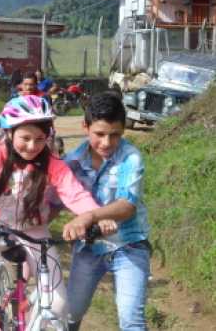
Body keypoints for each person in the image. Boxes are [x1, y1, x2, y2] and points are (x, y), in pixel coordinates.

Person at [0, 95, 119, 320]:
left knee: (58, 305)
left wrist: (95, 216)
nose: (32, 146)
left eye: (40, 139)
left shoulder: (52, 163)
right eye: (25, 138)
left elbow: (75, 194)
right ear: (10, 133)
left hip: (34, 230)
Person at [64, 93, 150, 331]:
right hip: (88, 247)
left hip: (129, 246)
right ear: (85, 126)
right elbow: (55, 196)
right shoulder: (71, 160)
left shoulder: (130, 157)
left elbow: (127, 205)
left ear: (123, 131)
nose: (106, 142)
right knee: (70, 313)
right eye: (99, 134)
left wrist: (90, 216)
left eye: (115, 135)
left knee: (131, 320)